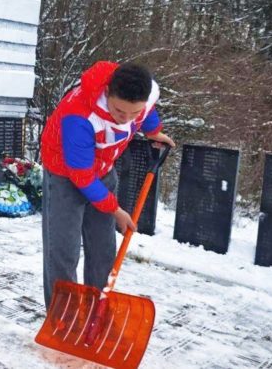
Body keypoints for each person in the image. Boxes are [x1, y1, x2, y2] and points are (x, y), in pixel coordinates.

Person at [39, 61, 175, 308]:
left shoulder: (138, 103)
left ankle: (96, 311)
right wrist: (116, 210)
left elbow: (147, 113)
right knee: (64, 252)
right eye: (119, 111)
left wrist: (153, 132)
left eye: (134, 113)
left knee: (103, 250)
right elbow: (81, 176)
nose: (126, 120)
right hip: (65, 175)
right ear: (107, 93)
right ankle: (63, 318)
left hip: (102, 169)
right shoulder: (79, 116)